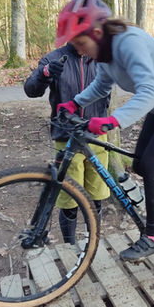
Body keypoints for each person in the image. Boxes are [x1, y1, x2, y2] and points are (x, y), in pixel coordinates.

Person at [56, 0, 154, 262]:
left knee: (149, 164)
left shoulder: (129, 43)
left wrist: (112, 121)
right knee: (140, 164)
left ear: (96, 33)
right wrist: (75, 103)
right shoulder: (104, 54)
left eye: (80, 43)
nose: (79, 50)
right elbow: (101, 86)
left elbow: (150, 91)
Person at [24, 42, 110, 244]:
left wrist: (103, 114)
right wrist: (44, 73)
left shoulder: (100, 57)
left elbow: (108, 88)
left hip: (97, 136)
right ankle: (70, 247)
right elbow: (31, 89)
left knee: (96, 197)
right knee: (69, 202)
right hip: (67, 138)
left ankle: (92, 243)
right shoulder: (55, 58)